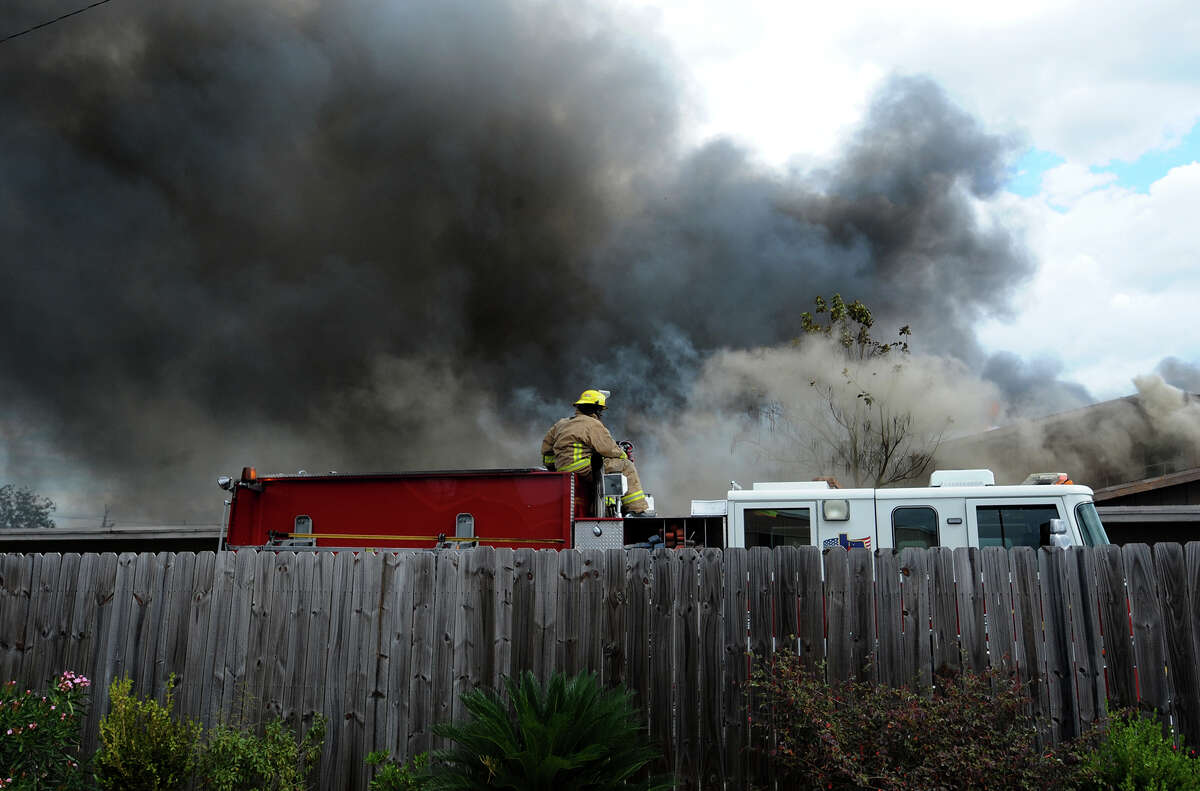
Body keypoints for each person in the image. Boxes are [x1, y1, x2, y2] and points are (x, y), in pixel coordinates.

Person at [551, 389, 654, 516]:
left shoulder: (560, 424)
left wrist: (554, 467)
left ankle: (604, 509)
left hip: (561, 470)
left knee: (602, 471)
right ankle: (637, 510)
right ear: (597, 410)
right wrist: (623, 455)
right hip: (583, 468)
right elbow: (609, 449)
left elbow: (546, 451)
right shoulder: (593, 424)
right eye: (600, 410)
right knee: (626, 466)